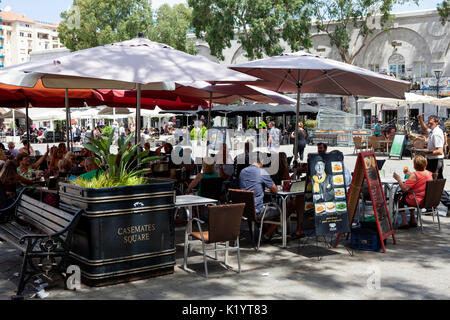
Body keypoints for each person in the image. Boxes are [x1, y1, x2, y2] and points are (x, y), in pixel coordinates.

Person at [239, 152, 280, 241]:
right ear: (261, 161)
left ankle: (269, 232)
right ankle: (268, 234)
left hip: (245, 211)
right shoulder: (262, 172)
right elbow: (275, 190)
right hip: (257, 211)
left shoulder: (242, 172)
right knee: (283, 211)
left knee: (265, 206)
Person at [417, 114, 450, 216]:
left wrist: (425, 153)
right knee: (432, 184)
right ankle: (431, 207)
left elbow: (439, 151)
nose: (429, 124)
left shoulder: (436, 133)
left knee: (434, 186)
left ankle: (447, 204)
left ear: (437, 123)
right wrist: (420, 119)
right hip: (433, 161)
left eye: (431, 123)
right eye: (428, 122)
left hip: (435, 161)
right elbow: (425, 129)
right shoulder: (433, 131)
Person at [393, 155, 433, 229]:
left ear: (415, 165)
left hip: (417, 200)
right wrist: (410, 174)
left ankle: (404, 221)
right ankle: (413, 219)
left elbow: (404, 188)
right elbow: (420, 177)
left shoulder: (414, 175)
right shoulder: (429, 173)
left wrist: (398, 179)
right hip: (426, 200)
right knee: (409, 195)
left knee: (398, 196)